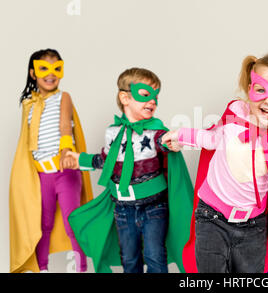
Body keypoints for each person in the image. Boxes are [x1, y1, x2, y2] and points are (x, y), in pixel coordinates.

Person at [162, 52, 268, 273]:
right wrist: (181, 136)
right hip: (210, 217)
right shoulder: (236, 113)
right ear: (250, 89)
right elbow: (212, 138)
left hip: (253, 228)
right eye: (261, 89)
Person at [66, 67, 193, 273]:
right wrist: (79, 159)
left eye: (156, 97)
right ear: (125, 97)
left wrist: (173, 143)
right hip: (123, 208)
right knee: (129, 258)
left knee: (155, 257)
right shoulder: (112, 132)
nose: (153, 101)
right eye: (145, 95)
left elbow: (165, 142)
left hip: (154, 206)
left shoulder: (155, 130)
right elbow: (105, 161)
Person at [9, 48, 92, 273]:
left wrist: (67, 150)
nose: (50, 74)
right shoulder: (28, 104)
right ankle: (42, 268)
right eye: (44, 68)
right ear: (33, 72)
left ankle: (81, 268)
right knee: (43, 225)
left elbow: (65, 124)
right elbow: (26, 143)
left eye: (56, 68)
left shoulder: (63, 97)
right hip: (41, 175)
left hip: (65, 171)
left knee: (72, 222)